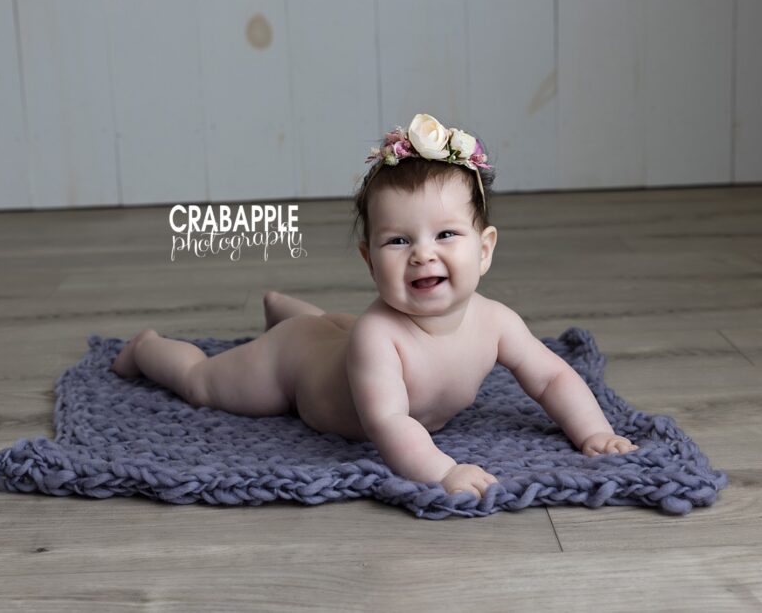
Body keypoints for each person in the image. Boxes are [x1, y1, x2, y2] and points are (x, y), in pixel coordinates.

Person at [111, 112, 638, 498]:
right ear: (369, 260)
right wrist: (442, 470)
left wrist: (594, 431)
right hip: (295, 371)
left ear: (484, 249)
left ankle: (282, 307)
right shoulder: (378, 335)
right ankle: (150, 349)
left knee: (326, 330)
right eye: (398, 241)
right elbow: (389, 422)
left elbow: (551, 379)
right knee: (206, 382)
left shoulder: (497, 322)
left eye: (446, 234)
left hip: (330, 340)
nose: (422, 255)